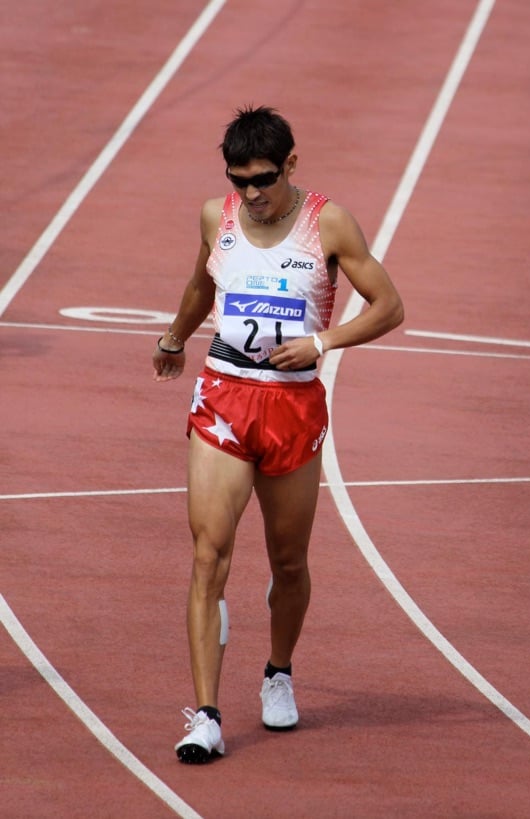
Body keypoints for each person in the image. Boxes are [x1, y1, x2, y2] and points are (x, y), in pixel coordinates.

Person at [152, 105, 404, 764]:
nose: (253, 193)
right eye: (240, 181)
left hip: (293, 406)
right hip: (225, 397)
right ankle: (206, 715)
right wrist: (175, 337)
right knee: (209, 555)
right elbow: (200, 285)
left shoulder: (330, 223)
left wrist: (321, 342)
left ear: (290, 165)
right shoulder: (217, 217)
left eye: (264, 179)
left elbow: (389, 306)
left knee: (289, 562)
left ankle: (278, 671)